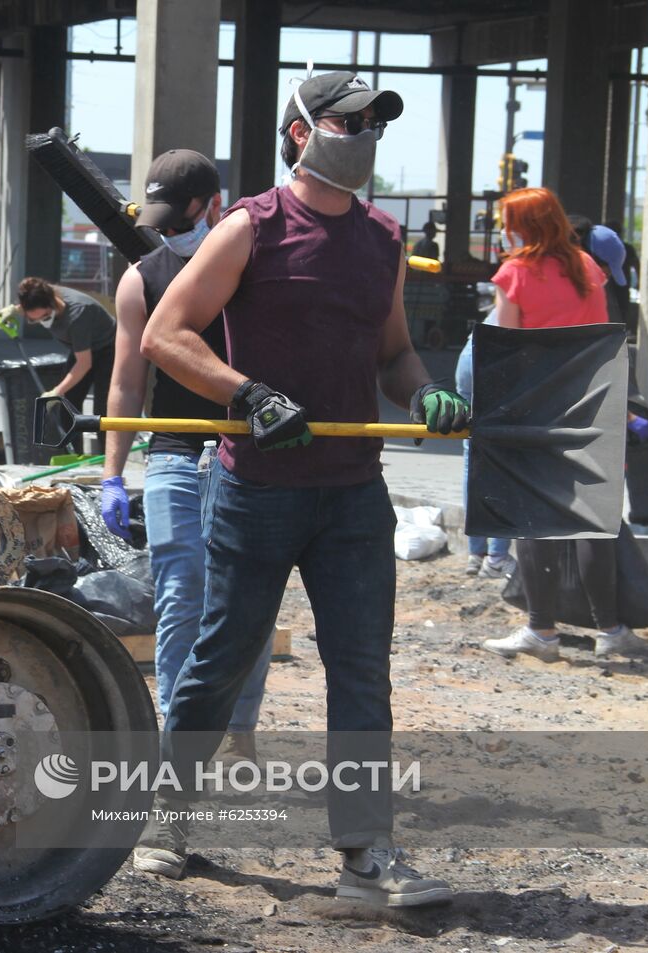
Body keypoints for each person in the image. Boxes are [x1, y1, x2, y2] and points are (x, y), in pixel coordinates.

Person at [137, 71, 463, 906]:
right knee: (220, 657)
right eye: (346, 121)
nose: (363, 135)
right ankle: (166, 815)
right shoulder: (251, 227)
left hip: (354, 494)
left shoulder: (383, 240)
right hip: (258, 489)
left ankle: (365, 854)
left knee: (361, 670)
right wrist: (245, 395)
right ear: (299, 133)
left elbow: (392, 352)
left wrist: (421, 387)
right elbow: (165, 336)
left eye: (373, 124)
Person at [99, 149, 272, 772]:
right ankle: (180, 736)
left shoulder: (252, 269)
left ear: (214, 206)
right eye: (163, 222)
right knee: (181, 592)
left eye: (182, 219)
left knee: (247, 596)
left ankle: (240, 727)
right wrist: (113, 474)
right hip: (173, 451)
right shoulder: (140, 278)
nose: (171, 232)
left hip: (249, 451)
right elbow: (125, 384)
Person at [481, 187, 648, 662]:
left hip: (539, 413)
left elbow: (505, 350)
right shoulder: (586, 266)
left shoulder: (514, 274)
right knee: (594, 524)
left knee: (535, 521)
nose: (502, 229)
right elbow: (597, 342)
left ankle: (542, 631)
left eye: (507, 220)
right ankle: (611, 630)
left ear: (525, 225)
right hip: (592, 407)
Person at [17, 277, 117, 452]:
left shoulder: (78, 314)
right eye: (34, 319)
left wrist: (57, 391)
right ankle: (74, 453)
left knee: (102, 409)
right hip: (80, 348)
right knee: (67, 403)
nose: (43, 321)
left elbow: (84, 364)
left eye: (45, 316)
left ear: (53, 304)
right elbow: (27, 299)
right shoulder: (41, 292)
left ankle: (106, 456)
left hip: (108, 349)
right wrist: (12, 311)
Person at [454, 316, 516, 577]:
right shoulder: (563, 289)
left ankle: (476, 554)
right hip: (498, 358)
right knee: (509, 459)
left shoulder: (520, 280)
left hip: (472, 354)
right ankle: (497, 557)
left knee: (474, 459)